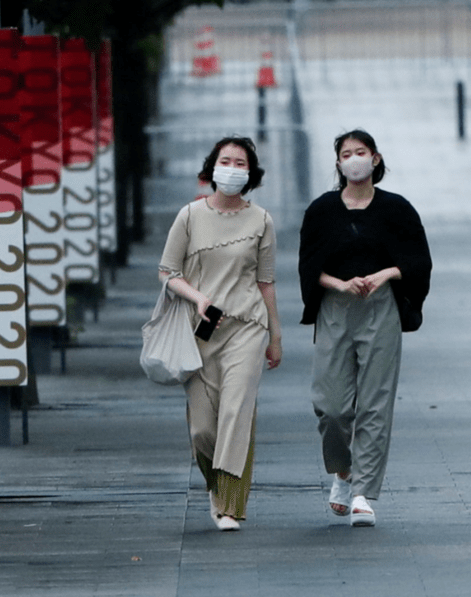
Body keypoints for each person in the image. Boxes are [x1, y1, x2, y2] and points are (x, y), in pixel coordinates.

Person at [298, 129, 431, 527]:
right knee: (332, 407)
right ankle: (342, 471)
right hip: (336, 310)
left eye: (361, 152)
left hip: (380, 308)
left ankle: (362, 493)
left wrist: (386, 274)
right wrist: (339, 284)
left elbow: (418, 260)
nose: (354, 158)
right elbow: (308, 267)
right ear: (337, 163)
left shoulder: (397, 209)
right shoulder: (322, 211)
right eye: (346, 153)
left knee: (375, 402)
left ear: (375, 158)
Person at [158, 136, 283, 532]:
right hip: (200, 332)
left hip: (247, 327)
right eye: (225, 160)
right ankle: (216, 485)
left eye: (240, 162)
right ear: (212, 168)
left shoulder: (261, 220)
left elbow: (266, 283)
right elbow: (167, 272)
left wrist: (275, 336)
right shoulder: (190, 216)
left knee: (235, 412)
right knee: (202, 429)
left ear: (250, 173)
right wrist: (197, 299)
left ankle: (230, 506)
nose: (232, 168)